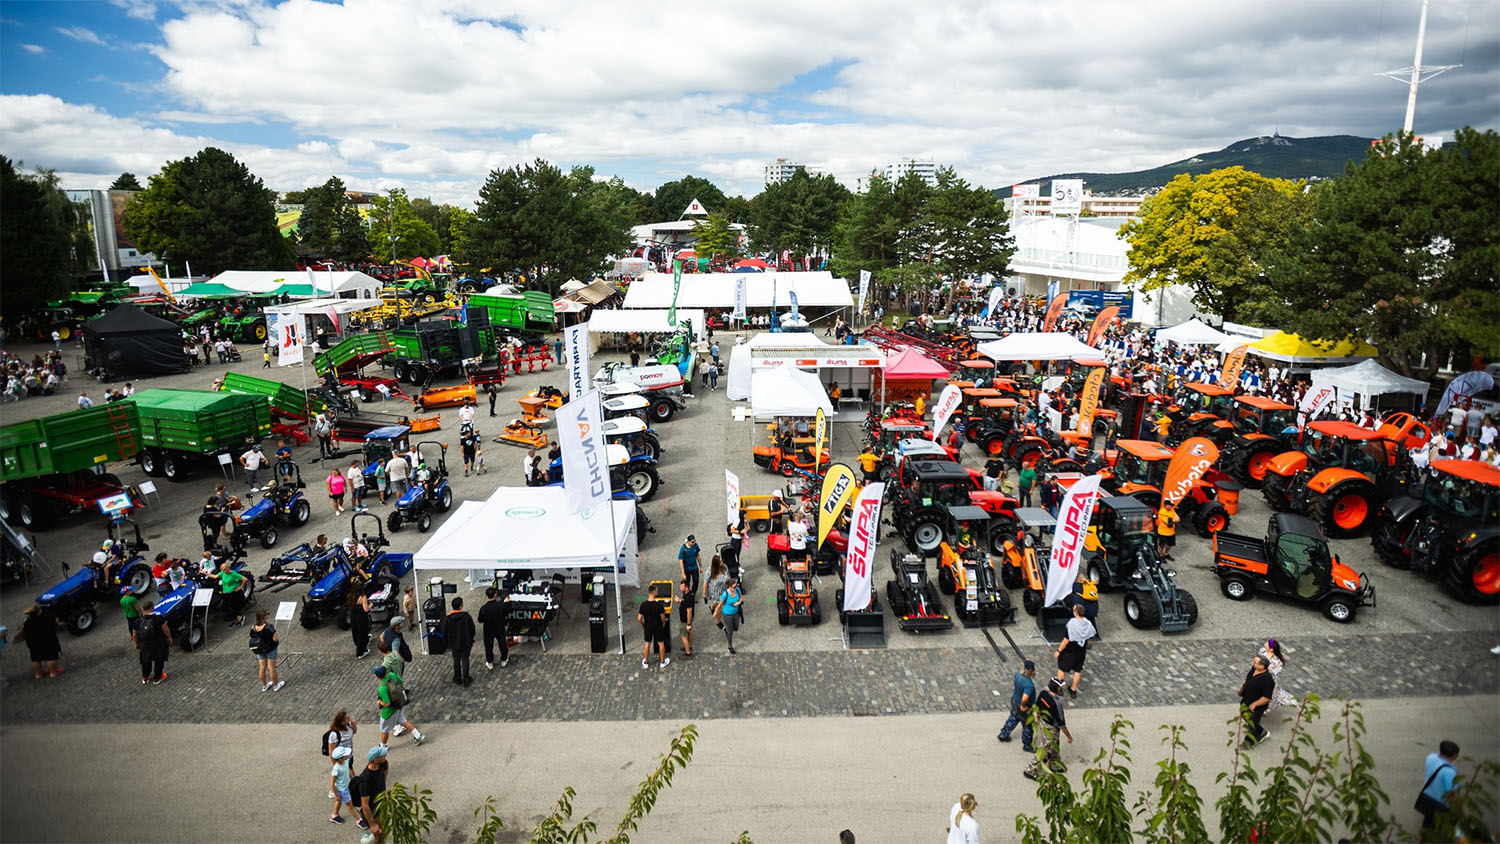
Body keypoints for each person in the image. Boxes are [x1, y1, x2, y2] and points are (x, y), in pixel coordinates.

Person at [1024, 678, 1073, 779]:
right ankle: (1030, 770)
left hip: (1043, 722)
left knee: (1055, 745)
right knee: (1045, 748)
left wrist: (1038, 718)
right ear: (1058, 689)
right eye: (1061, 687)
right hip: (1052, 728)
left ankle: (1055, 764)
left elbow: (1037, 707)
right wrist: (1069, 736)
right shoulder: (1057, 704)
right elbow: (1062, 725)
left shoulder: (1043, 694)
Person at [371, 664, 424, 746]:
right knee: (403, 721)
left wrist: (380, 702)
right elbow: (401, 682)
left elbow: (387, 703)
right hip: (399, 704)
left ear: (377, 676)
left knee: (384, 730)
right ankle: (418, 735)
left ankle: (382, 746)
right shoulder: (392, 675)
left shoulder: (382, 688)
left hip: (389, 712)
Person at [1055, 603, 1095, 699]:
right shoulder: (1088, 623)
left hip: (1070, 651)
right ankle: (1073, 689)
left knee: (1062, 669)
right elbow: (1089, 637)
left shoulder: (1072, 624)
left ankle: (1059, 688)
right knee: (1077, 671)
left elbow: (1066, 640)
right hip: (1081, 652)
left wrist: (1058, 651)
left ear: (1076, 612)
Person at [1418, 740, 1461, 830]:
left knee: (1428, 824)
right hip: (1440, 805)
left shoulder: (1431, 758)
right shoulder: (1450, 773)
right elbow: (1451, 795)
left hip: (1427, 798)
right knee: (1438, 828)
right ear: (1454, 755)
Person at [997, 660, 1037, 750]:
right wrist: (1023, 705)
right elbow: (1025, 698)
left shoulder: (1017, 675)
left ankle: (1003, 734)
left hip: (1015, 700)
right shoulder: (1029, 684)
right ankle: (1027, 745)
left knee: (1013, 717)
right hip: (1024, 707)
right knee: (1027, 726)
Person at [350, 745, 390, 837]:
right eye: (383, 755)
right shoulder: (365, 781)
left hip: (381, 806)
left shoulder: (382, 765)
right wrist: (372, 825)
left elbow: (383, 780)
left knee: (383, 832)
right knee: (379, 836)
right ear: (375, 760)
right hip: (373, 812)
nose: (385, 755)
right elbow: (365, 805)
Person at [1237, 654, 1276, 745]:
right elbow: (1248, 678)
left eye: (1255, 663)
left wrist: (1254, 704)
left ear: (1262, 666)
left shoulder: (1268, 680)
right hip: (1246, 700)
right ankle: (1261, 732)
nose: (1253, 663)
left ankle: (1249, 742)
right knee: (1245, 716)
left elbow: (1266, 698)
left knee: (1252, 724)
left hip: (1256, 707)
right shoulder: (1254, 669)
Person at [132, 600, 170, 684]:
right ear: (152, 608)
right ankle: (158, 677)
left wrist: (136, 643)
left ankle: (145, 677)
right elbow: (165, 629)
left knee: (146, 661)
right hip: (158, 643)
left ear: (143, 609)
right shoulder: (159, 618)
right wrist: (169, 637)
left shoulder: (138, 621)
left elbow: (134, 634)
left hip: (144, 644)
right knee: (158, 660)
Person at [442, 596, 476, 686]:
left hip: (454, 644)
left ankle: (457, 677)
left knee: (456, 660)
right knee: (465, 660)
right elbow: (472, 629)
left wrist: (447, 642)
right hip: (465, 642)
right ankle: (466, 678)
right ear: (460, 606)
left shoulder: (448, 618)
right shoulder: (466, 617)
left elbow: (444, 632)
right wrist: (470, 638)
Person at [246, 609, 283, 691]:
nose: (268, 616)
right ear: (264, 617)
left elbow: (252, 635)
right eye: (267, 615)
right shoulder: (269, 627)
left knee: (262, 667)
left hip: (259, 650)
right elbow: (275, 639)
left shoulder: (253, 627)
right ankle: (276, 685)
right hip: (270, 649)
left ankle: (264, 685)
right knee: (271, 667)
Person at [1260, 638, 1298, 710]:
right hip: (1260, 677)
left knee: (1269, 696)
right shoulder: (1262, 651)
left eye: (1267, 643)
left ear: (1271, 649)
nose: (1265, 643)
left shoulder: (1276, 661)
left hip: (1268, 680)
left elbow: (1272, 671)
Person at [638, 583, 670, 669]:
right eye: (657, 591)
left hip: (648, 626)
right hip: (658, 626)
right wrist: (663, 623)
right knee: (661, 643)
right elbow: (663, 617)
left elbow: (639, 618)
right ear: (654, 592)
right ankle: (662, 662)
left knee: (647, 643)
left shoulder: (643, 605)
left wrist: (643, 624)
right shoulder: (659, 605)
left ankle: (646, 661)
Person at [478, 586, 509, 669]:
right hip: (499, 627)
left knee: (488, 646)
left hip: (488, 629)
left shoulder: (484, 608)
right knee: (502, 644)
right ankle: (504, 659)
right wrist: (506, 603)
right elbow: (506, 612)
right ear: (495, 595)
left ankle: (490, 661)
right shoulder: (501, 606)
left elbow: (480, 620)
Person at [329, 745, 354, 825]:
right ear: (340, 758)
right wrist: (336, 795)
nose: (347, 755)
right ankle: (359, 820)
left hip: (346, 786)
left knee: (339, 801)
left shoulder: (345, 762)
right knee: (350, 806)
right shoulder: (336, 769)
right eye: (345, 755)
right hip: (342, 789)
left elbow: (349, 771)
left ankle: (334, 815)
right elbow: (332, 783)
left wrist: (352, 779)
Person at [219, 562, 247, 627]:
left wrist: (240, 587)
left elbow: (245, 579)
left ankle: (239, 619)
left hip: (233, 593)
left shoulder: (233, 574)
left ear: (227, 568)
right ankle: (236, 618)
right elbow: (215, 576)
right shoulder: (223, 573)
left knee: (232, 606)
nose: (223, 571)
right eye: (222, 570)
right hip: (226, 593)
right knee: (225, 607)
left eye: (224, 569)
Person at [348, 583, 372, 658]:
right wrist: (371, 605)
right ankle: (361, 652)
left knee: (356, 631)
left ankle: (361, 643)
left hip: (353, 615)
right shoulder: (362, 597)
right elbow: (366, 609)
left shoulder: (350, 596)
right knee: (362, 632)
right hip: (361, 616)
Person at [721, 580, 743, 654]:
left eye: (736, 586)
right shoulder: (725, 594)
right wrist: (715, 613)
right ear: (729, 587)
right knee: (730, 631)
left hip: (735, 612)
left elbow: (740, 598)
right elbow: (720, 604)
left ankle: (726, 629)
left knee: (736, 627)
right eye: (734, 586)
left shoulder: (737, 590)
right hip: (727, 614)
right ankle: (730, 646)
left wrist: (738, 602)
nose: (735, 587)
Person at [677, 578, 696, 657]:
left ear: (686, 587)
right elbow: (685, 603)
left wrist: (688, 624)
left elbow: (689, 612)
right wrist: (679, 601)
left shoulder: (688, 598)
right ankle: (689, 646)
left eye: (682, 587)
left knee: (683, 635)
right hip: (688, 619)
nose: (680, 588)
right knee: (690, 632)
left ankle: (687, 651)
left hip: (685, 619)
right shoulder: (689, 594)